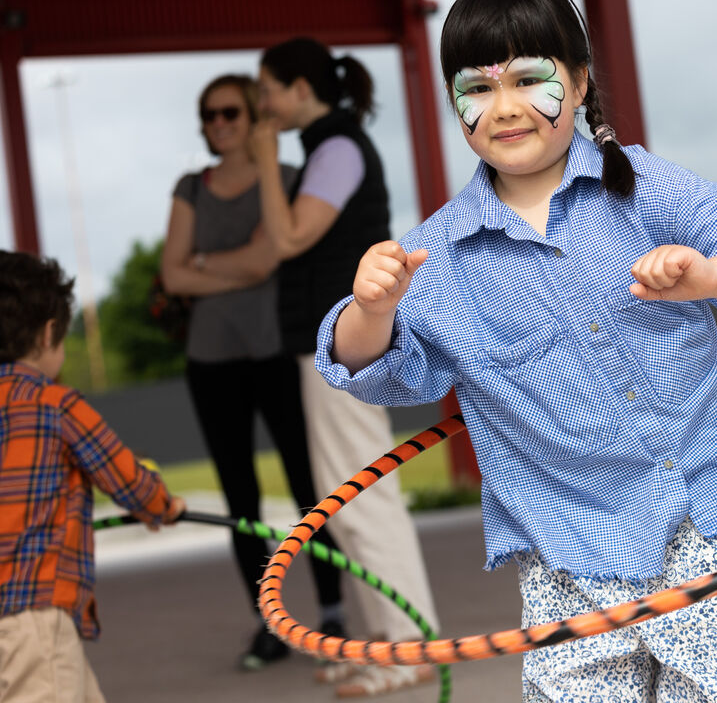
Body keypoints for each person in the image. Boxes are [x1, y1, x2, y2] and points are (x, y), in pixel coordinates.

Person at [318, 0, 717, 702]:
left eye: (529, 78)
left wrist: (711, 279)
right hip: (567, 564)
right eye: (477, 88)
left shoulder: (646, 189)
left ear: (580, 82)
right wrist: (371, 308)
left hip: (712, 533)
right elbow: (373, 370)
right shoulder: (436, 256)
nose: (505, 107)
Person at [251, 38, 439, 697]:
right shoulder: (330, 147)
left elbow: (289, 238)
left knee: (361, 493)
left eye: (267, 90)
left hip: (344, 345)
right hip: (330, 343)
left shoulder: (334, 149)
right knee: (349, 494)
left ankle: (409, 648)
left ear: (301, 89)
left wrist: (268, 162)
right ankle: (391, 643)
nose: (261, 106)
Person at [159, 74, 345, 671]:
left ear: (251, 116)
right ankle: (270, 623)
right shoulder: (190, 186)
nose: (219, 124)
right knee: (241, 500)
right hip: (210, 362)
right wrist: (236, 268)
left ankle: (334, 611)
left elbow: (269, 257)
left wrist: (205, 264)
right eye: (209, 115)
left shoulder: (285, 179)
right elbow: (172, 277)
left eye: (231, 113)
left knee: (306, 487)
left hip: (276, 351)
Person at [0, 250, 187, 702]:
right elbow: (126, 478)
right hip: (32, 616)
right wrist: (163, 506)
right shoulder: (57, 405)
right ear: (48, 334)